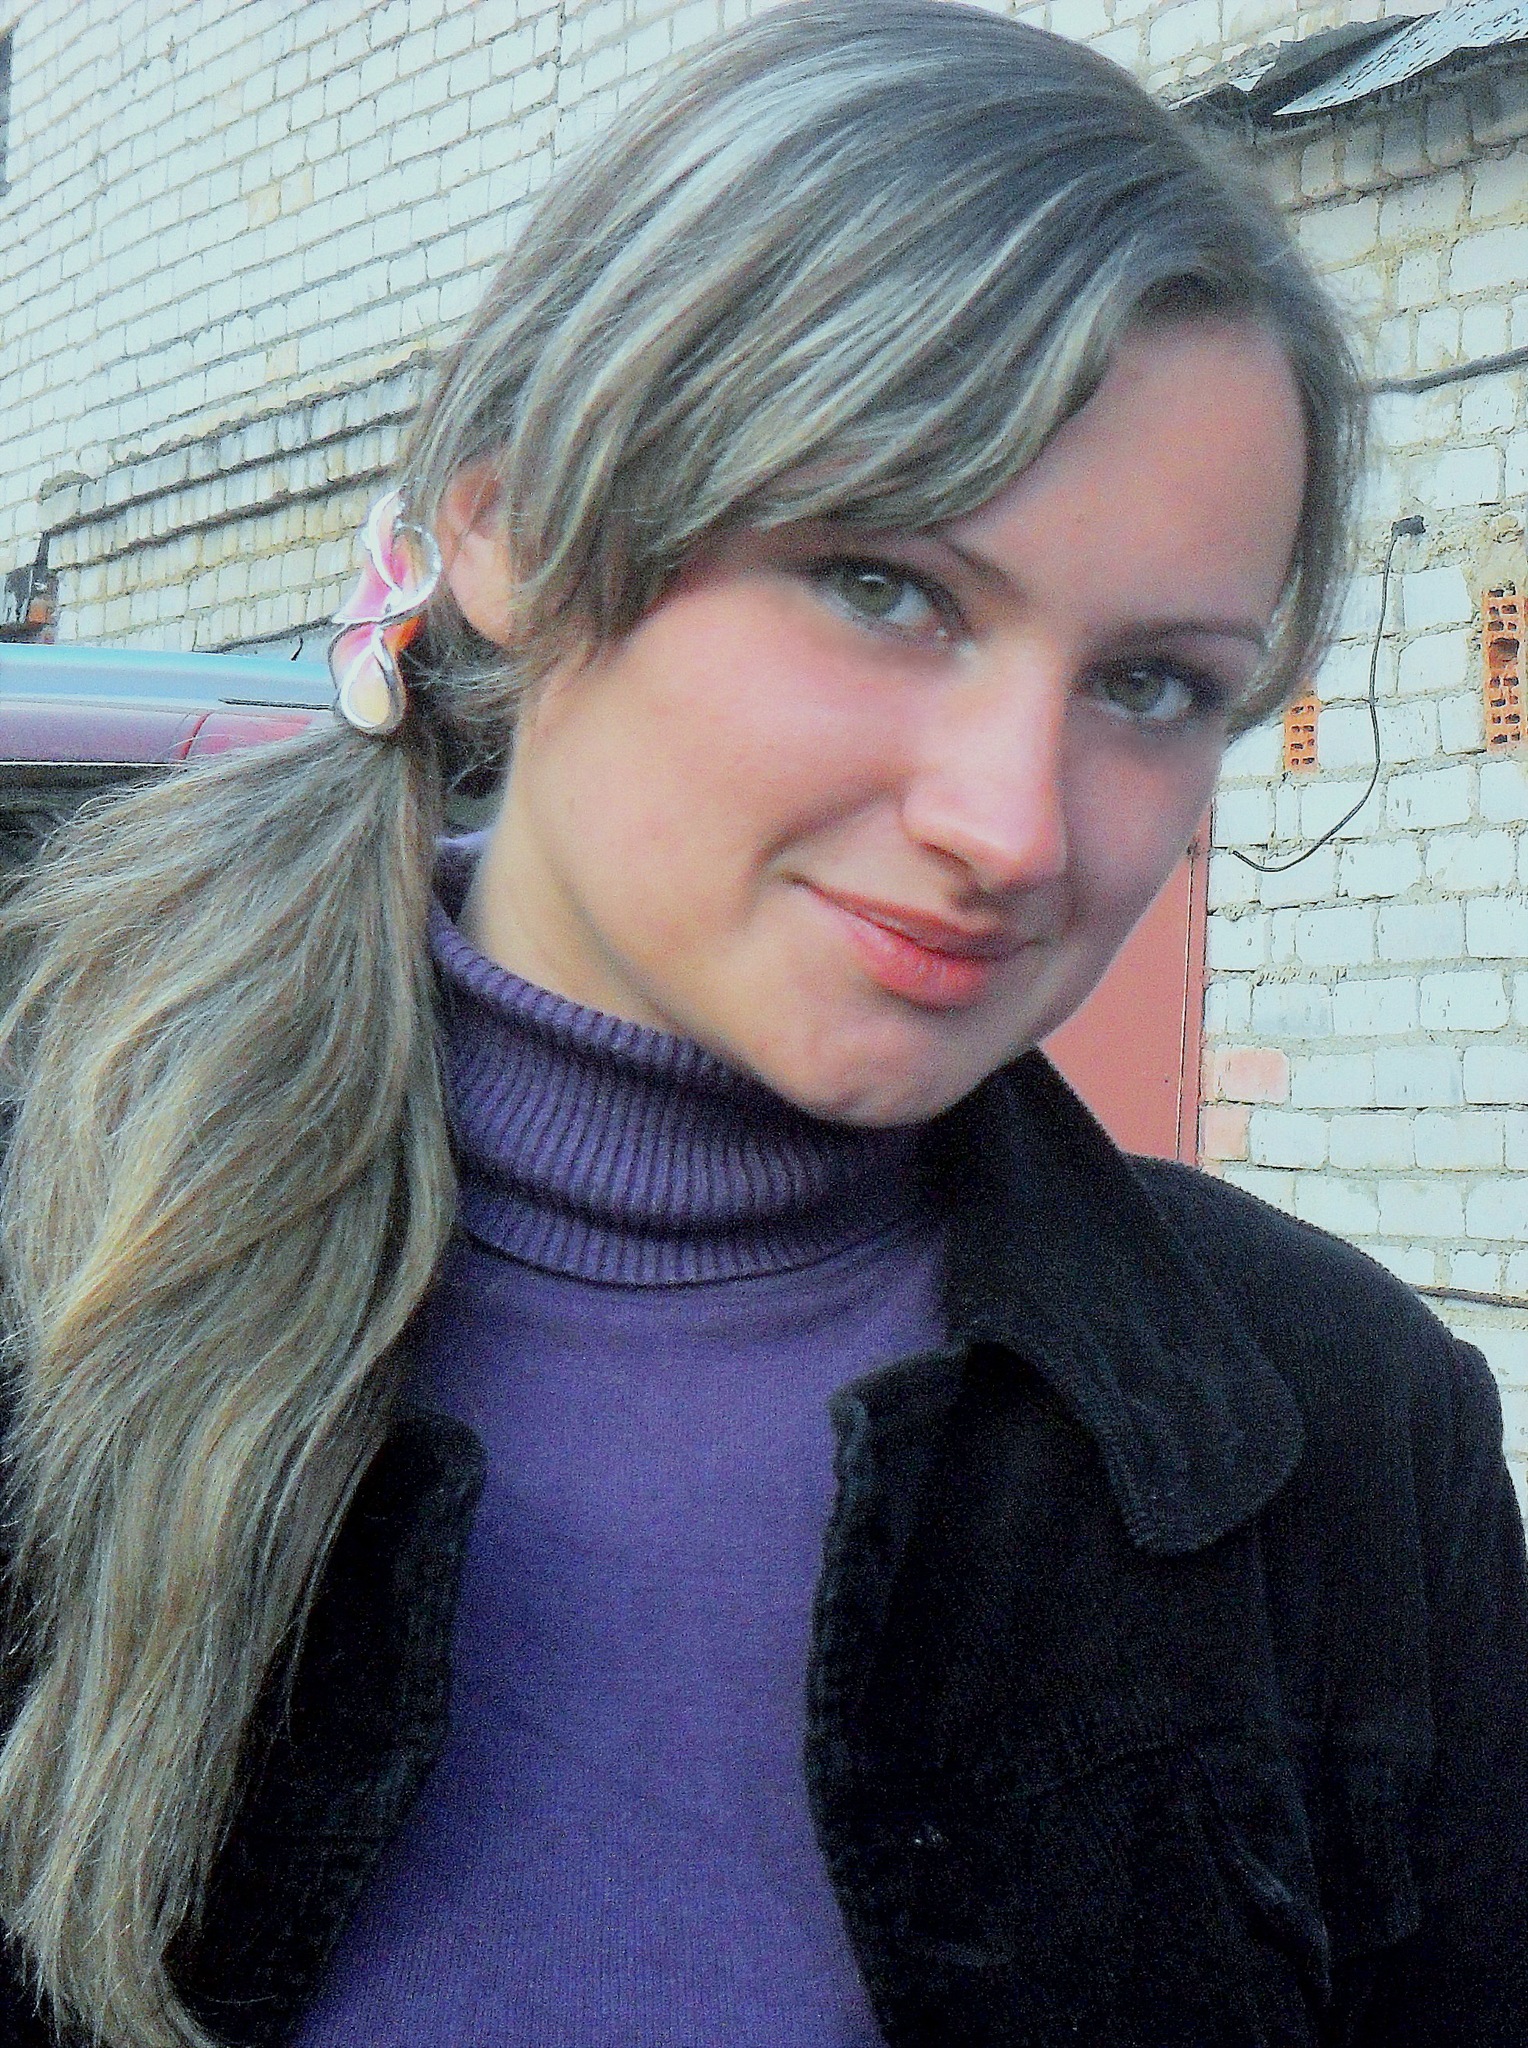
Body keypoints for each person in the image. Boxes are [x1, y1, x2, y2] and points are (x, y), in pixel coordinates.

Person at [1, 4, 1524, 2044]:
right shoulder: (48, 1275)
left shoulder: (1345, 1435)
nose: (1010, 827)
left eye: (1152, 683)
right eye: (885, 588)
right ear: (510, 528)